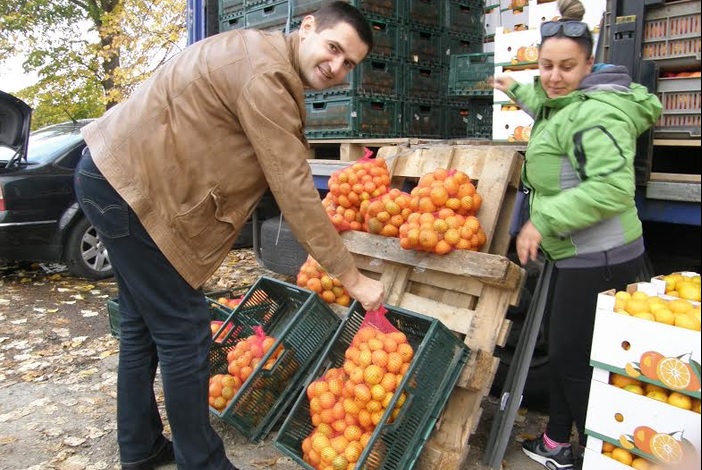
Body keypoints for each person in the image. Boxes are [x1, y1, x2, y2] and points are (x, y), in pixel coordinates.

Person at [74, 2, 385, 469]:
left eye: (349, 63)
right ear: (306, 29)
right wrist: (352, 277)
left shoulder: (256, 52)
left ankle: (139, 449)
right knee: (184, 332)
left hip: (113, 177)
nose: (336, 66)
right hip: (133, 192)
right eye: (333, 48)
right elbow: (295, 189)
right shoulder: (268, 78)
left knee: (142, 328)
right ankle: (202, 463)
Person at [494, 0, 662, 469]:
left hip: (596, 257)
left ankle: (599, 457)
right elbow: (553, 105)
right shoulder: (568, 101)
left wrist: (541, 221)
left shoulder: (595, 114)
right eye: (546, 65)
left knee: (574, 362)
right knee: (575, 355)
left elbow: (611, 188)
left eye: (567, 66)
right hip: (585, 254)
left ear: (589, 66)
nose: (553, 76)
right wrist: (517, 89)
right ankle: (556, 442)